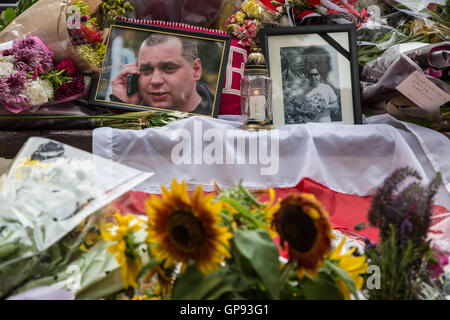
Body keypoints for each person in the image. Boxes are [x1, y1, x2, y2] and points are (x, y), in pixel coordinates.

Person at [110, 33, 213, 115]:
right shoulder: (132, 113)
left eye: (168, 68)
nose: (155, 81)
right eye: (146, 70)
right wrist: (122, 109)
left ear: (195, 70)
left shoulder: (221, 121)